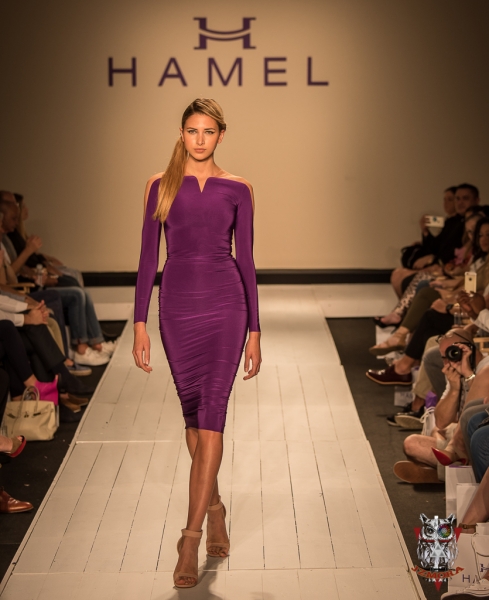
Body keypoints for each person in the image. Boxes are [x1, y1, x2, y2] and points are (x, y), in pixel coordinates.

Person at [132, 98, 261, 589]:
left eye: (208, 131)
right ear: (182, 134)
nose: (200, 139)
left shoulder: (239, 188)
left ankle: (189, 538)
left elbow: (246, 260)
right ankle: (216, 506)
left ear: (221, 135)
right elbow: (148, 259)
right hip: (177, 307)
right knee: (192, 417)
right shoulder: (159, 185)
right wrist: (139, 322)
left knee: (212, 416)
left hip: (227, 305)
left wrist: (254, 329)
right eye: (192, 130)